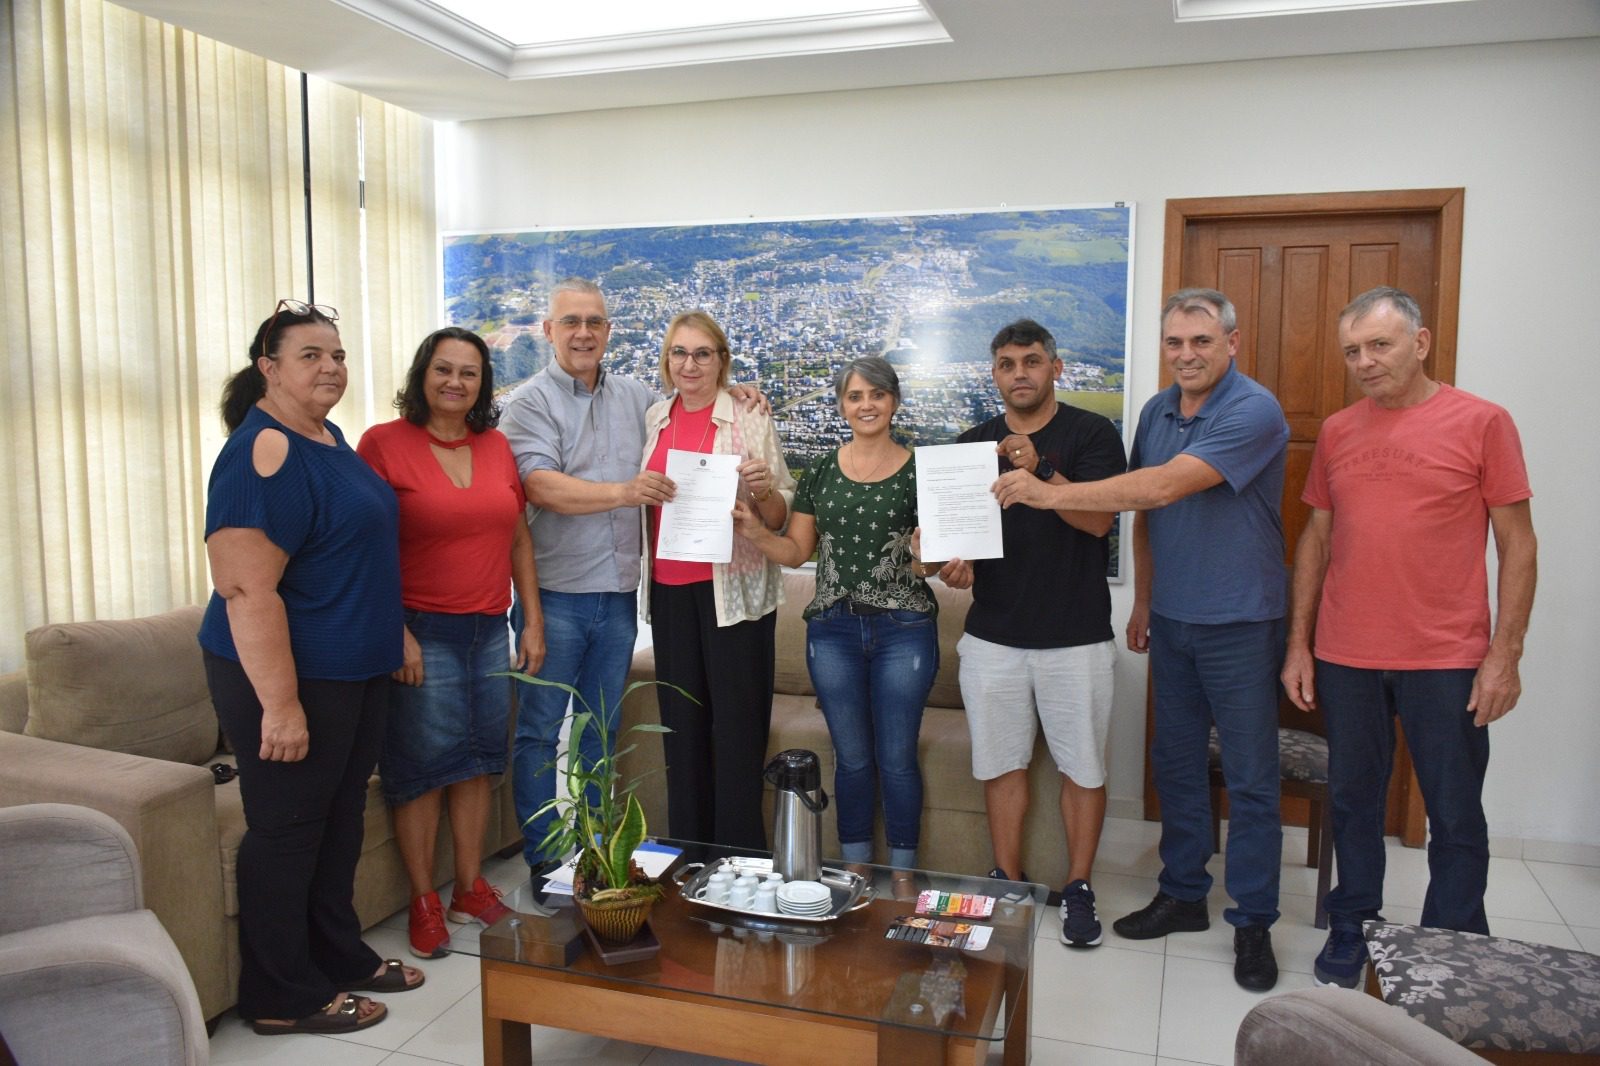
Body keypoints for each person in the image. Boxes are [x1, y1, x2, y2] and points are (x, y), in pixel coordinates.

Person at [992, 288, 1289, 991]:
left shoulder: (1254, 410)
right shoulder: (1158, 411)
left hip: (1241, 620)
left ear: (1232, 343)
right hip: (1175, 619)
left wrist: (1045, 491)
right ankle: (1184, 894)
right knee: (1175, 765)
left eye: (1201, 341)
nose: (1186, 354)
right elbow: (1147, 519)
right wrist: (1147, 600)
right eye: (1175, 342)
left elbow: (1157, 489)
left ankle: (1253, 921)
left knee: (1249, 777)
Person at [1281, 286, 1536, 988]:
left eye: (1379, 345)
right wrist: (1300, 643)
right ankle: (1353, 924)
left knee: (1454, 812)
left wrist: (1505, 655)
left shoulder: (1483, 422)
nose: (1364, 361)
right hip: (1347, 653)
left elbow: (1518, 545)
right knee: (1354, 800)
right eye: (1352, 351)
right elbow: (1317, 539)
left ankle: (1451, 945)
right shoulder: (1338, 431)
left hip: (1446, 657)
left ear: (1419, 343)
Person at [199, 299, 422, 1036]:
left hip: (351, 669)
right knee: (288, 829)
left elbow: (349, 554)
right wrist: (281, 705)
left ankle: (336, 955)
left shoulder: (325, 436)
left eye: (338, 355)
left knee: (339, 821)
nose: (331, 367)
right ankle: (281, 995)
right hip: (291, 676)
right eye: (311, 355)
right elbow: (245, 590)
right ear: (269, 368)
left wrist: (393, 633)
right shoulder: (262, 452)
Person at [498, 279, 766, 875]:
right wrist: (625, 492)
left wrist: (737, 392)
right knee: (541, 733)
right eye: (571, 322)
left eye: (594, 321)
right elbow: (538, 485)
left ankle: (597, 858)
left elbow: (693, 401)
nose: (583, 333)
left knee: (601, 732)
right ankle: (547, 864)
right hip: (557, 596)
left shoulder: (637, 399)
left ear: (609, 331)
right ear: (548, 331)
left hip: (619, 597)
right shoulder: (529, 403)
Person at [930, 318, 1125, 949]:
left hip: (1077, 637)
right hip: (993, 635)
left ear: (1055, 368)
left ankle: (1079, 886)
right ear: (994, 374)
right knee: (1000, 763)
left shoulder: (1093, 433)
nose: (1020, 373)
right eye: (1008, 364)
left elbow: (1099, 523)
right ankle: (1007, 881)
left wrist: (1040, 473)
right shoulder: (971, 445)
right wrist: (952, 563)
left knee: (1084, 768)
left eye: (1032, 361)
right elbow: (951, 545)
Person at [357, 327, 546, 960]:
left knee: (478, 763)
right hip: (421, 631)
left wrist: (532, 620)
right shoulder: (383, 444)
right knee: (420, 771)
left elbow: (518, 538)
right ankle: (423, 900)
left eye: (469, 372)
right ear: (422, 374)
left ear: (483, 384)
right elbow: (363, 548)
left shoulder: (496, 446)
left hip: (488, 628)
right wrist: (394, 632)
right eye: (444, 369)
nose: (455, 382)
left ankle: (469, 888)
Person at [734, 356, 937, 898]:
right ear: (842, 405)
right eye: (854, 396)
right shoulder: (822, 471)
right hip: (832, 632)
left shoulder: (921, 472)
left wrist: (930, 557)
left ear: (894, 401)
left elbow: (932, 565)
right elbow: (797, 550)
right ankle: (857, 869)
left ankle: (903, 871)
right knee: (851, 759)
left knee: (897, 759)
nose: (866, 405)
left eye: (877, 394)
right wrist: (755, 532)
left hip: (904, 630)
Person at [641, 311, 794, 850]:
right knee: (680, 734)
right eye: (679, 353)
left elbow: (780, 515)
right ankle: (688, 856)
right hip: (670, 592)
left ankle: (738, 863)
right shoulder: (655, 417)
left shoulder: (749, 416)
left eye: (703, 353)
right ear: (667, 360)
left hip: (735, 595)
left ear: (722, 361)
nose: (690, 364)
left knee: (737, 735)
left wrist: (763, 491)